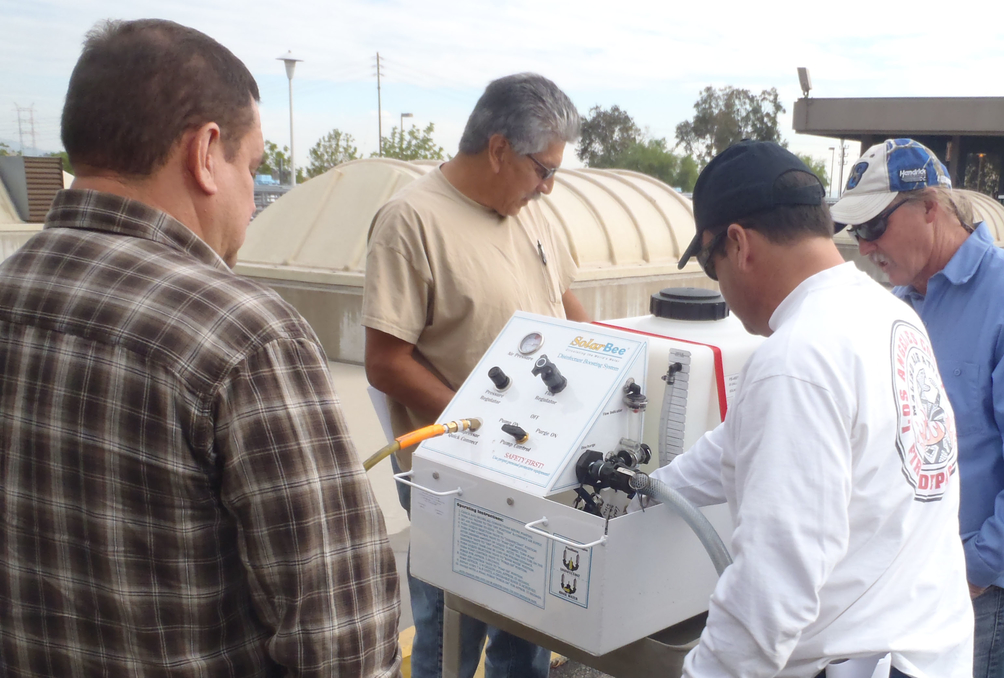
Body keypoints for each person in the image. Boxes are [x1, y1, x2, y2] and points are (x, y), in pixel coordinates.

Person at [0, 19, 401, 677]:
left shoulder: (11, 289)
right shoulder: (244, 336)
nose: (253, 199)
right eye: (253, 167)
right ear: (205, 152)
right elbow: (341, 642)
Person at [654, 139, 974, 678]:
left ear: (738, 244)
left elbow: (774, 580)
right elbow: (732, 447)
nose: (723, 290)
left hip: (856, 662)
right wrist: (648, 489)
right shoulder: (887, 314)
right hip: (928, 649)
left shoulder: (796, 358)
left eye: (712, 267)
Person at [832, 139, 1004, 678]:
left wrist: (970, 570)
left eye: (874, 227)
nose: (864, 247)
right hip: (902, 576)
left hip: (974, 588)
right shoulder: (901, 303)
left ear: (931, 207)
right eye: (857, 232)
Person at [362, 72, 586, 678]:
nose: (548, 187)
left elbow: (571, 313)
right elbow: (385, 362)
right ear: (498, 150)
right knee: (449, 636)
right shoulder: (411, 220)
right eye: (544, 170)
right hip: (453, 475)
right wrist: (480, 425)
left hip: (533, 463)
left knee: (528, 627)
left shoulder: (533, 215)